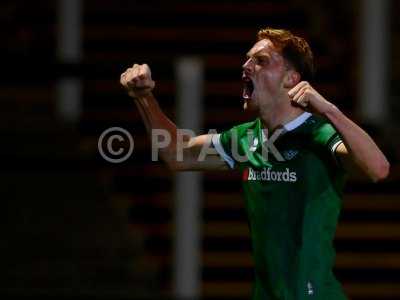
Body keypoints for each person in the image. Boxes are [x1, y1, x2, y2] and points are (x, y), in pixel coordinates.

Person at [120, 27, 389, 300]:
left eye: (261, 60)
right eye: (248, 59)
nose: (246, 66)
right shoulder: (246, 138)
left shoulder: (318, 134)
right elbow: (177, 154)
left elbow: (378, 169)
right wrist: (144, 97)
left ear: (291, 79)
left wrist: (329, 109)